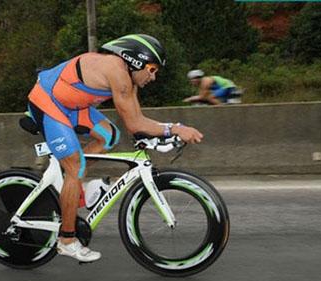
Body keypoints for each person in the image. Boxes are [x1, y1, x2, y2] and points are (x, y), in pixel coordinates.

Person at [26, 34, 203, 263]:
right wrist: (175, 128)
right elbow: (136, 124)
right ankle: (66, 241)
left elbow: (136, 123)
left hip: (72, 104)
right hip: (48, 102)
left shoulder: (129, 80)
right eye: (151, 69)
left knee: (109, 136)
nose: (153, 76)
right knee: (76, 167)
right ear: (136, 61)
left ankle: (73, 187)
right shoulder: (117, 73)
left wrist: (156, 137)